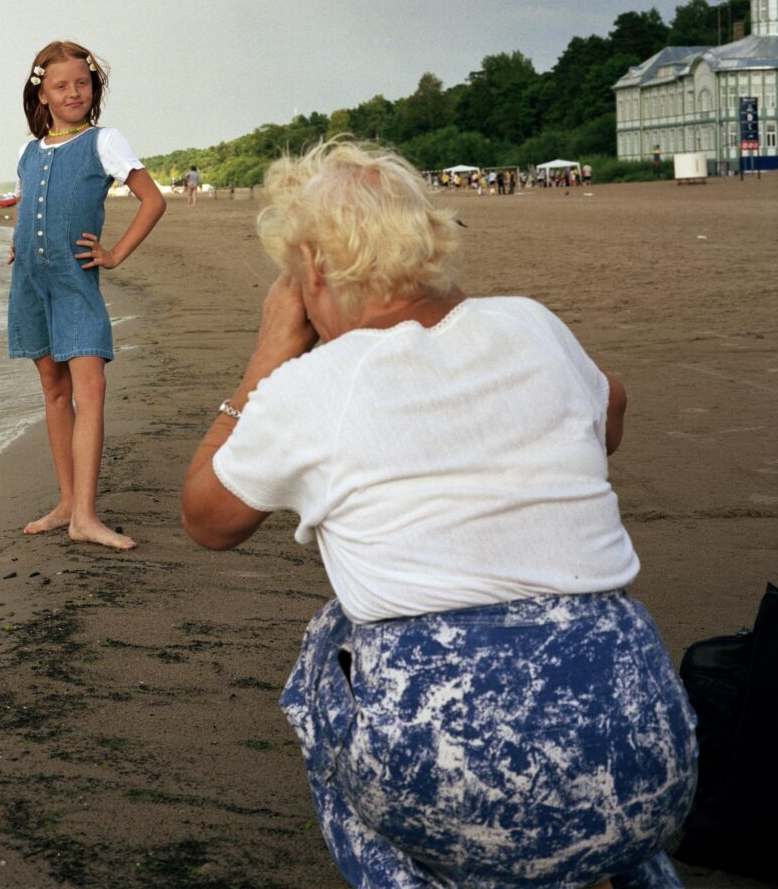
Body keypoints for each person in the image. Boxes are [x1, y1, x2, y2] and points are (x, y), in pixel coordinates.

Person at [181, 139, 696, 888]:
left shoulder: (318, 385)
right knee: (600, 819)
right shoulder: (531, 325)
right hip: (645, 740)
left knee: (327, 657)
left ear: (312, 272)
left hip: (457, 762)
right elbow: (609, 407)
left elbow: (207, 518)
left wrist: (265, 363)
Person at [9, 41, 166, 550]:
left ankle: (87, 516)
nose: (73, 92)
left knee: (89, 391)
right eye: (61, 85)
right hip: (31, 287)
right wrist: (20, 244)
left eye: (82, 82)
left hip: (75, 285)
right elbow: (33, 205)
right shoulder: (27, 151)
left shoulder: (105, 141)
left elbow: (153, 200)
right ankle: (65, 505)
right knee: (55, 394)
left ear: (93, 86)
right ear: (43, 93)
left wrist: (115, 253)